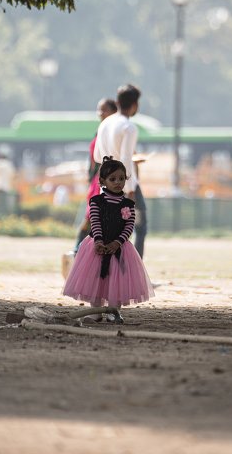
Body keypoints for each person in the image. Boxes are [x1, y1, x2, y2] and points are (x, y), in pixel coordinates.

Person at [62, 157, 154, 321]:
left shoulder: (128, 204)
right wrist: (98, 241)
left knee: (116, 280)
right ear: (103, 181)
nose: (117, 182)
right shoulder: (97, 201)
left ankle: (113, 311)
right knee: (95, 278)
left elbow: (129, 226)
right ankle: (95, 311)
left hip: (120, 247)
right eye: (112, 179)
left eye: (121, 178)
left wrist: (117, 242)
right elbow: (95, 221)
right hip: (97, 246)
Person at [93, 84, 147, 259]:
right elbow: (125, 160)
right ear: (135, 105)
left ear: (117, 102)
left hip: (106, 185)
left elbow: (97, 156)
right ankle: (133, 273)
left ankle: (107, 273)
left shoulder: (105, 124)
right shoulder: (128, 127)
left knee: (109, 229)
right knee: (137, 227)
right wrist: (130, 189)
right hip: (125, 186)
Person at [72, 97, 117, 253]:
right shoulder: (101, 131)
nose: (100, 113)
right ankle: (77, 251)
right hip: (97, 183)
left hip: (106, 182)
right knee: (90, 217)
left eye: (104, 109)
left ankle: (80, 252)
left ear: (114, 111)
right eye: (99, 109)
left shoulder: (112, 131)